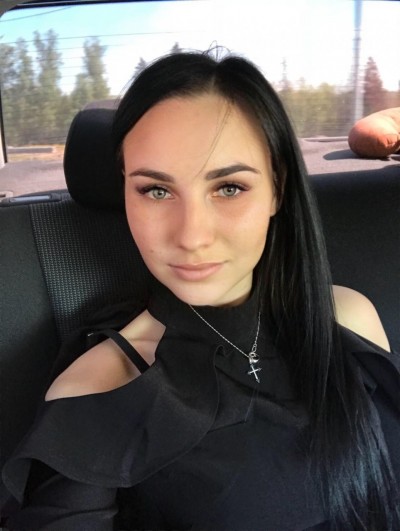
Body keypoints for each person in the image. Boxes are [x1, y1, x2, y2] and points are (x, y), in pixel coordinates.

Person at [1, 50, 399, 531]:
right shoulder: (101, 387)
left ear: (277, 189)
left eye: (229, 187)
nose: (191, 236)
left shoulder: (348, 316)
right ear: (124, 192)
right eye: (156, 190)